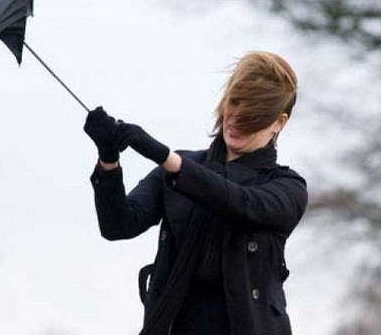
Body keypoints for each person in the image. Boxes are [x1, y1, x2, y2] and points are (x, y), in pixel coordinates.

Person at [83, 51, 308, 335]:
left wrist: (166, 158)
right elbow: (119, 225)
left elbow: (240, 202)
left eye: (253, 115)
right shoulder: (181, 166)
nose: (237, 118)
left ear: (279, 122)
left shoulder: (287, 187)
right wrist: (108, 161)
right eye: (234, 103)